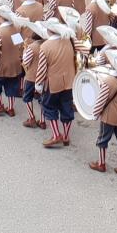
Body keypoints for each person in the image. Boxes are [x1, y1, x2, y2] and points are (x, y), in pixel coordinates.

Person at [88, 48, 117, 178]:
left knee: (103, 139)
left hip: (109, 115)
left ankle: (101, 163)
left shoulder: (107, 82)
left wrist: (95, 114)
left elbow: (101, 101)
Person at [38, 18, 78, 148]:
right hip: (69, 81)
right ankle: (66, 137)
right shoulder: (69, 41)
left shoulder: (45, 46)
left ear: (49, 30)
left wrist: (38, 85)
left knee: (49, 107)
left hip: (53, 83)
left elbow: (42, 69)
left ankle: (56, 135)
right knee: (67, 109)